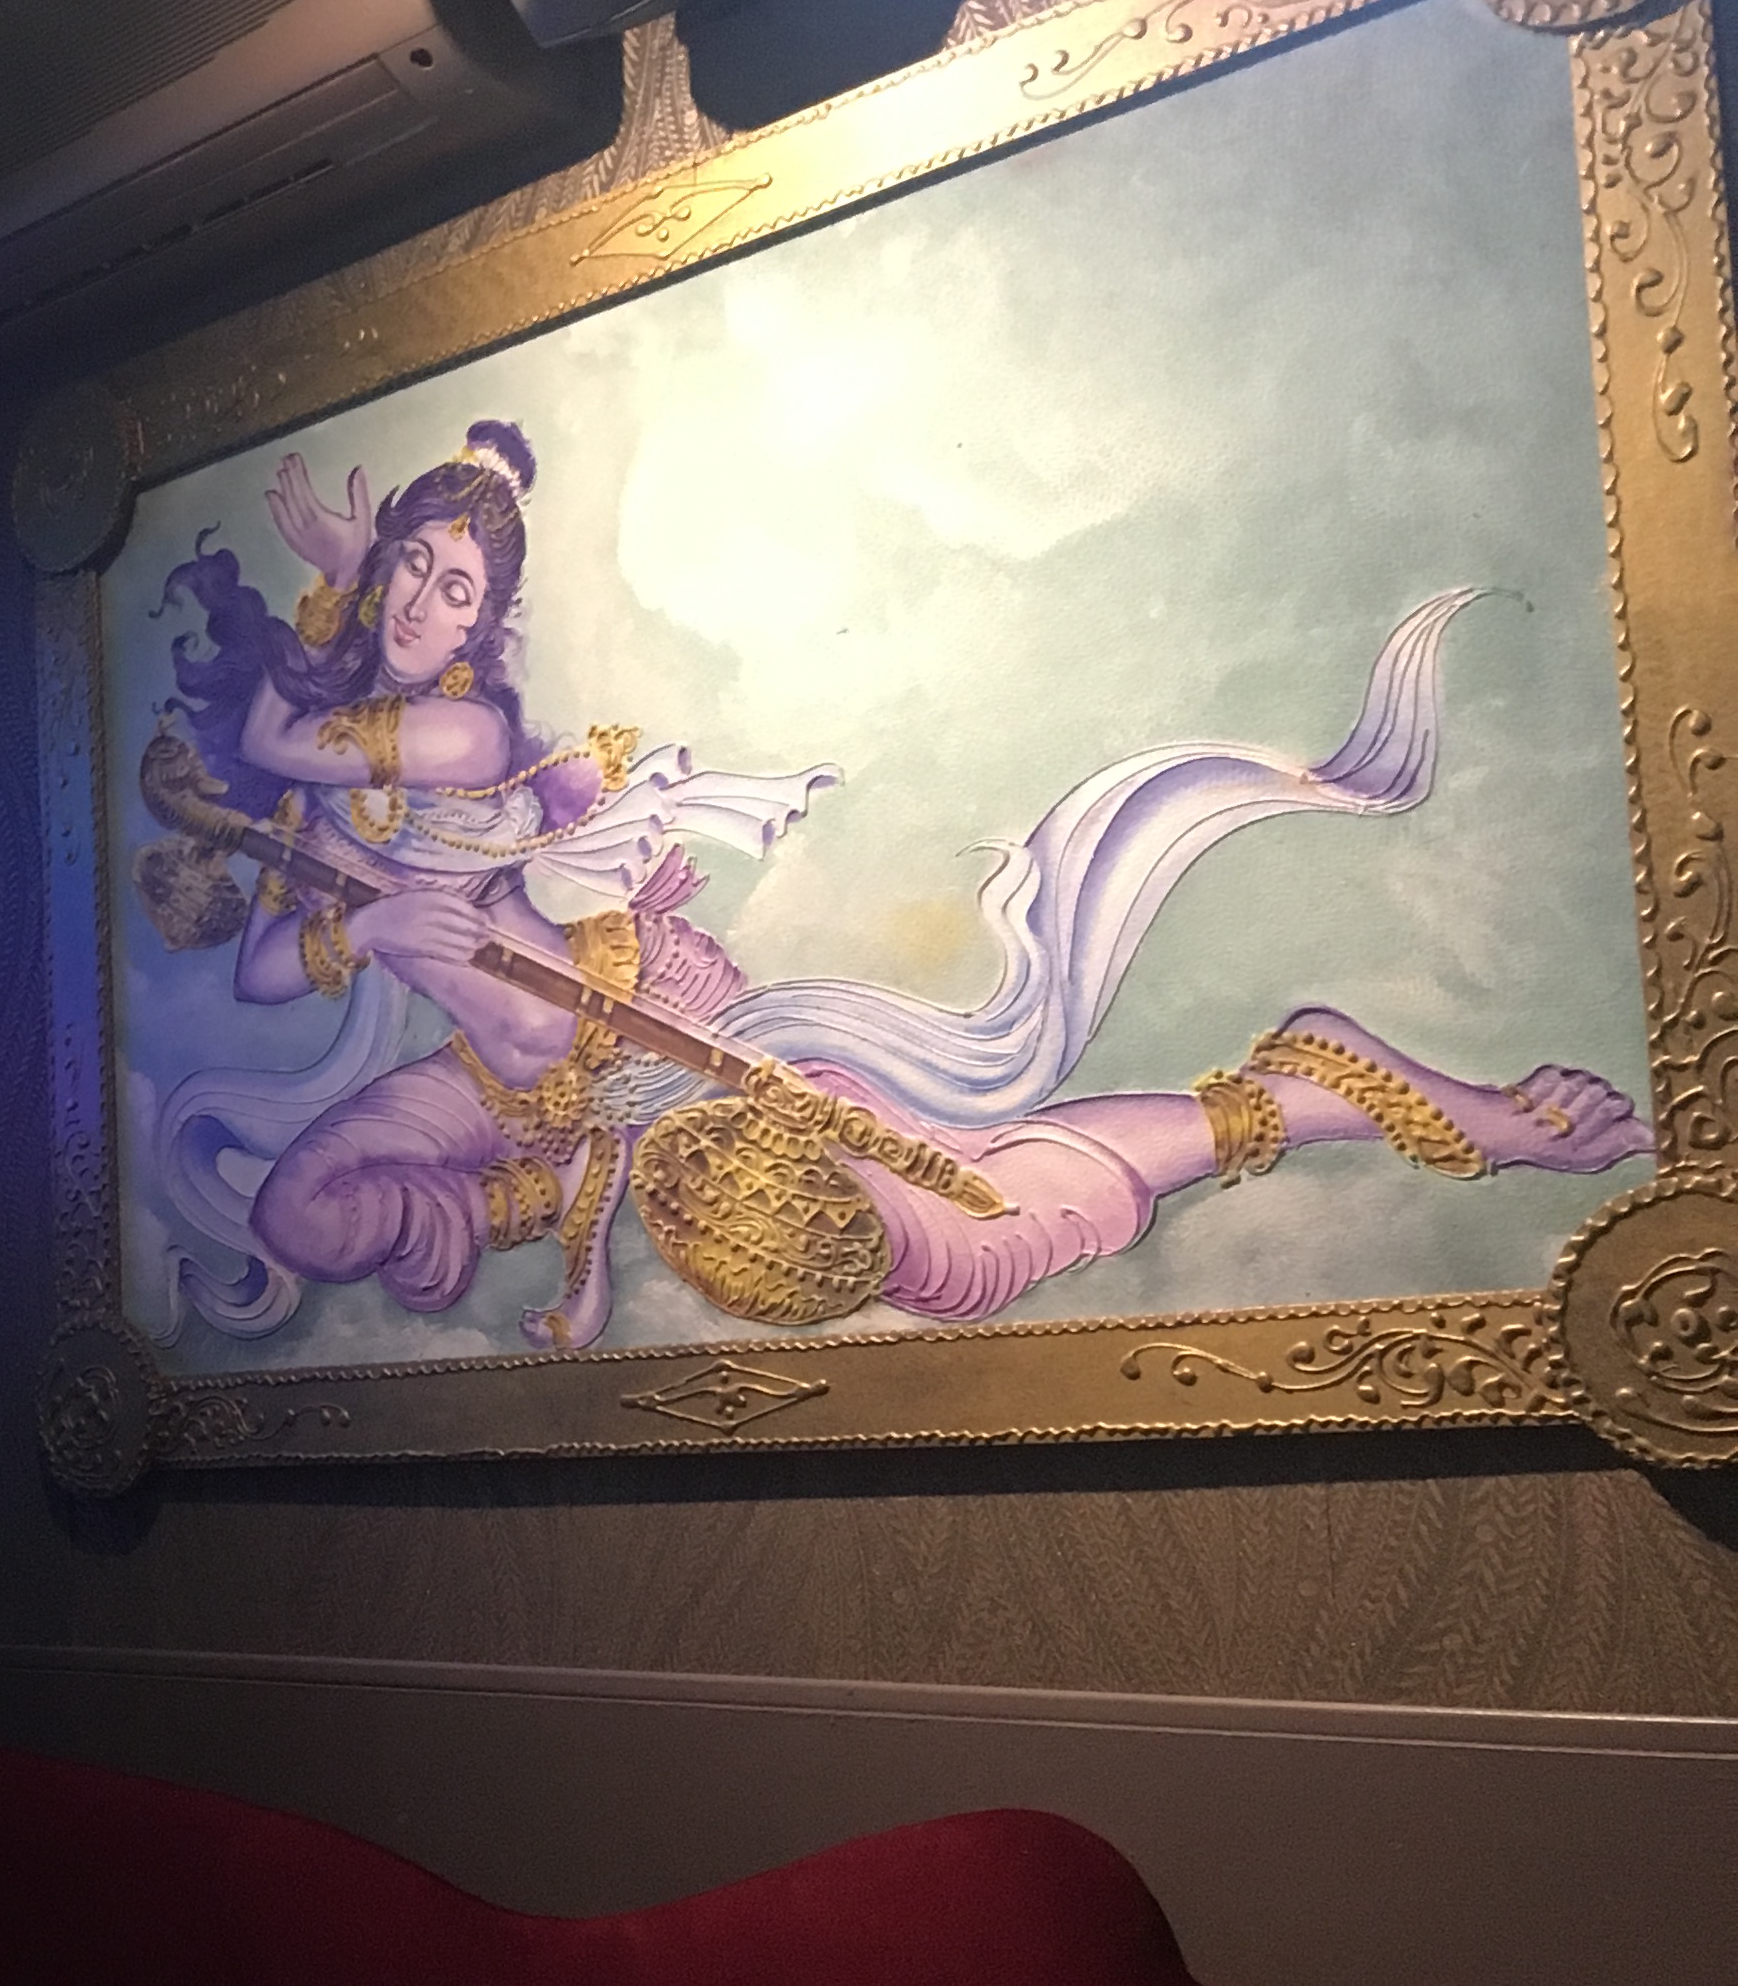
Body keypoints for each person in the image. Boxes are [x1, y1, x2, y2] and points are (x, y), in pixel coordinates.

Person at [135, 422, 1648, 1354]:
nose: (420, 600)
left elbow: (271, 736)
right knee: (300, 1211)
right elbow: (267, 969)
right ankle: (529, 1197)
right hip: (499, 1091)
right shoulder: (328, 803)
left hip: (633, 1026)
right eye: (410, 564)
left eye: (451, 585)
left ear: (484, 626)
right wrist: (363, 922)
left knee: (953, 1226)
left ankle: (1314, 1091)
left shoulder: (460, 736)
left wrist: (337, 592)